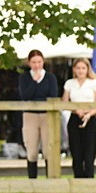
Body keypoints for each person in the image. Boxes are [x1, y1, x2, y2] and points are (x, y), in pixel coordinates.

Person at [18, 49, 58, 179]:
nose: (37, 65)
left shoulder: (50, 78)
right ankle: (32, 180)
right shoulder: (24, 78)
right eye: (34, 62)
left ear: (43, 62)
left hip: (47, 115)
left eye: (39, 62)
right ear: (29, 63)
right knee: (32, 150)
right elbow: (25, 96)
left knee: (48, 150)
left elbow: (53, 95)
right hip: (30, 115)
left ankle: (49, 178)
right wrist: (34, 82)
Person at [62, 58, 96, 178]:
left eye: (83, 68)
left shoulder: (94, 83)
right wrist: (75, 110)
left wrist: (89, 114)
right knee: (76, 153)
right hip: (75, 118)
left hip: (90, 118)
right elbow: (64, 103)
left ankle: (89, 180)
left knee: (89, 153)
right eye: (78, 68)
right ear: (74, 69)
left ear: (87, 69)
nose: (80, 71)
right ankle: (78, 179)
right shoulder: (69, 83)